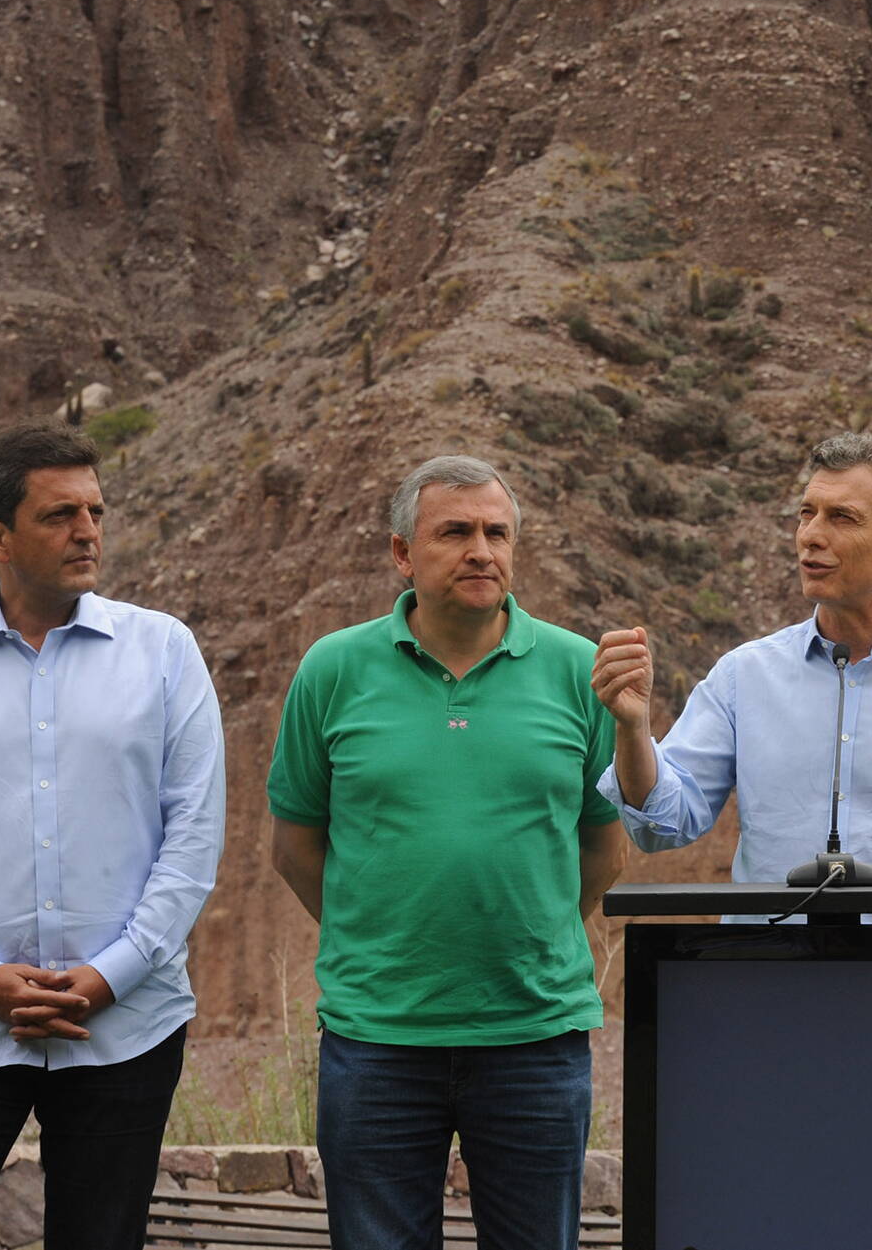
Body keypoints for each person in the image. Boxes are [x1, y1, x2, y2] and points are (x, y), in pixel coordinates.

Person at [268, 455, 625, 1250]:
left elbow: (605, 844)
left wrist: (532, 928)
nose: (481, 551)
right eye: (456, 532)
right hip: (378, 1040)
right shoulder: (333, 669)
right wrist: (379, 930)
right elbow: (293, 845)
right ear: (403, 553)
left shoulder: (579, 671)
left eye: (497, 533)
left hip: (535, 1038)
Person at [0, 425, 226, 1248]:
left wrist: (111, 974)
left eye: (95, 511)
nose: (88, 531)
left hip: (126, 1026)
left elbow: (194, 834)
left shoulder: (165, 652)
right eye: (60, 514)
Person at [591, 432, 872, 918]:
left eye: (842, 517)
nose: (810, 535)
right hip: (764, 961)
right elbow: (662, 824)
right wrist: (633, 727)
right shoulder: (744, 675)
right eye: (807, 513)